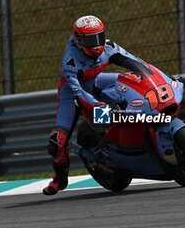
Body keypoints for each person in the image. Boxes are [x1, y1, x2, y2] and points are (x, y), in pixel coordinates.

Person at [43, 15, 140, 195]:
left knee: (131, 81)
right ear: (79, 40)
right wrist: (98, 105)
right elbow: (79, 92)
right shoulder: (70, 60)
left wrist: (152, 76)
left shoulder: (109, 46)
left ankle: (134, 140)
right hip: (72, 95)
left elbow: (134, 61)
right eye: (90, 39)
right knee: (57, 141)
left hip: (96, 82)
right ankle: (59, 179)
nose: (96, 44)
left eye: (99, 37)